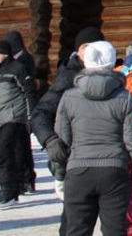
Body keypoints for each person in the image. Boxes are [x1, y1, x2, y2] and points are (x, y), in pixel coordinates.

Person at [56, 40, 132, 236]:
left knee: (77, 231)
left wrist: (59, 175)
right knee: (115, 231)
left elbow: (62, 141)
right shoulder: (124, 98)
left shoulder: (69, 97)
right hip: (114, 171)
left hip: (78, 170)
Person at [30, 25, 105, 234]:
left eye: (98, 47)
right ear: (79, 50)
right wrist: (50, 141)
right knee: (75, 223)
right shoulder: (70, 77)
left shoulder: (108, 76)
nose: (93, 52)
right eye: (88, 47)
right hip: (77, 159)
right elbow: (40, 114)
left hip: (107, 162)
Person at [0, 38, 38, 208]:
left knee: (3, 153)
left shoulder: (18, 68)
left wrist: (32, 117)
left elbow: (30, 92)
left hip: (13, 117)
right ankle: (11, 190)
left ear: (5, 54)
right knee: (1, 154)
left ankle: (8, 192)